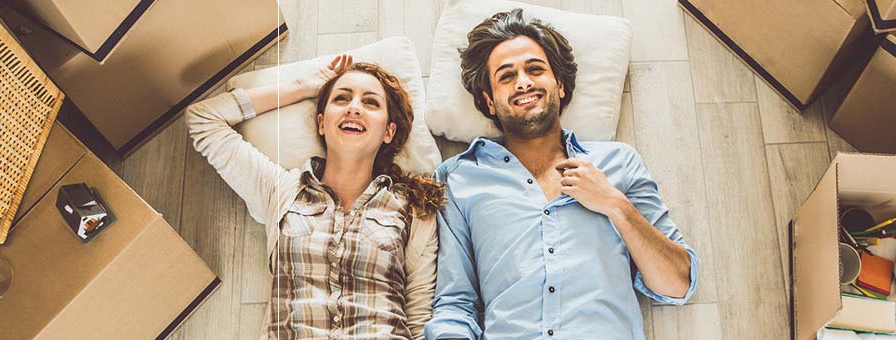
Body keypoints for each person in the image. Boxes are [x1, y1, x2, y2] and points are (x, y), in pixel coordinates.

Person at [425, 8, 700, 340]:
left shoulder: (618, 162)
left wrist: (615, 205)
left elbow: (676, 284)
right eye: (506, 76)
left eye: (535, 69)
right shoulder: (458, 178)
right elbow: (455, 304)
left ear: (560, 86)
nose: (524, 82)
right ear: (489, 101)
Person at [187, 55, 444, 340]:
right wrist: (303, 86)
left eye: (370, 102)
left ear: (388, 132)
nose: (354, 108)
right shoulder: (282, 191)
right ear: (321, 123)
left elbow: (419, 321)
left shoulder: (413, 210)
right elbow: (203, 119)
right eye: (341, 99)